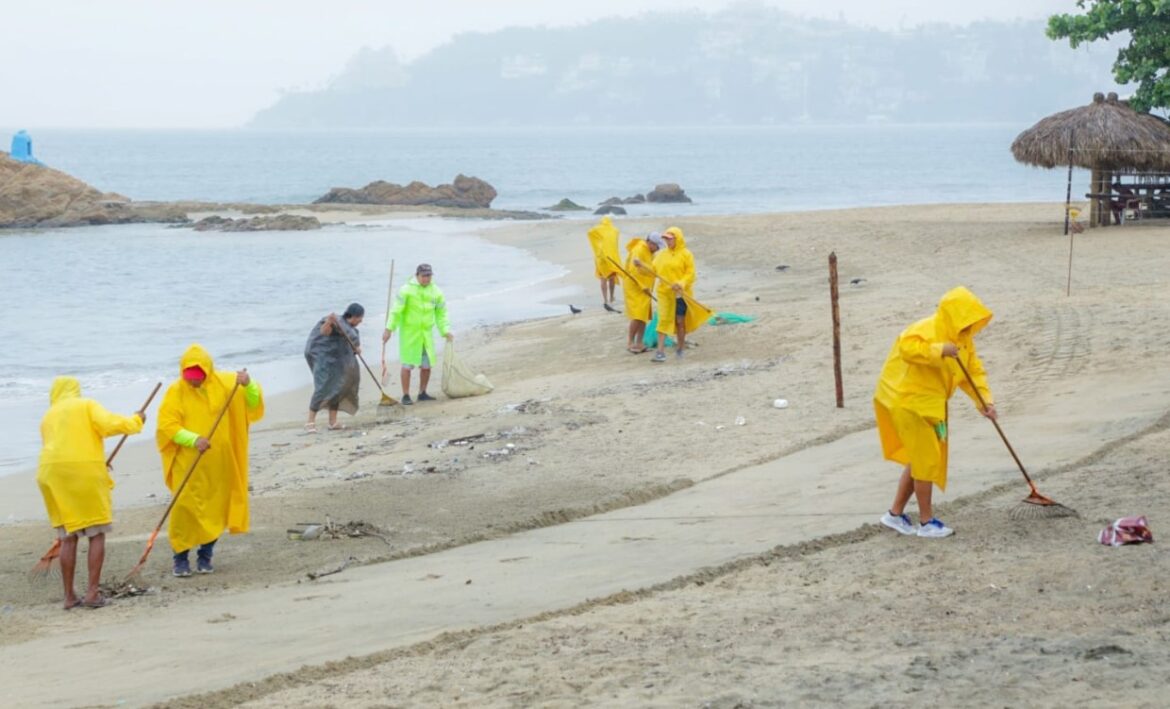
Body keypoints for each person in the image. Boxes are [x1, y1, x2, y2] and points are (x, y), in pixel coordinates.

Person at [874, 286, 996, 539]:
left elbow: (972, 373)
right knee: (925, 461)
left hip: (931, 405)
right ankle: (926, 522)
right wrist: (939, 349)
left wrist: (985, 402)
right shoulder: (926, 329)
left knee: (921, 459)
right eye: (964, 322)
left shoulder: (964, 342)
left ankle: (895, 515)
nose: (967, 328)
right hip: (908, 403)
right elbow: (907, 350)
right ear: (952, 316)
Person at [36, 377, 145, 609]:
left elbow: (63, 449)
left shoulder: (48, 416)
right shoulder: (85, 405)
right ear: (75, 390)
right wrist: (136, 420)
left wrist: (95, 463)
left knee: (68, 536)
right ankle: (92, 593)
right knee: (96, 532)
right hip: (82, 472)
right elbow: (108, 425)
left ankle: (69, 596)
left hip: (50, 474)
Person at [156, 344, 264, 576]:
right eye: (190, 378)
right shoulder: (176, 392)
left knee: (216, 508)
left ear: (208, 371)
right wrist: (193, 440)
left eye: (198, 378)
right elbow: (168, 425)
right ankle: (180, 559)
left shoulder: (226, 383)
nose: (194, 382)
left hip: (219, 463)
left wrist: (249, 383)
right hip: (188, 464)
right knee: (184, 509)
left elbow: (252, 402)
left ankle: (205, 556)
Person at [382, 263, 453, 405]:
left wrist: (445, 330)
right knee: (407, 365)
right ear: (417, 275)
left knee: (426, 366)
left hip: (426, 334)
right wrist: (389, 329)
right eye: (424, 276)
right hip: (410, 334)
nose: (427, 279)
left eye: (429, 276)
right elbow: (396, 311)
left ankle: (422, 392)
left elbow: (441, 313)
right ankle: (406, 395)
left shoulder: (436, 291)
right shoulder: (406, 290)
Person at [649, 226, 708, 362]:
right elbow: (652, 270)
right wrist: (641, 268)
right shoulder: (661, 255)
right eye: (666, 239)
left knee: (680, 321)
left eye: (670, 239)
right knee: (663, 320)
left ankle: (680, 348)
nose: (668, 241)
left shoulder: (686, 254)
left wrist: (681, 283)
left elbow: (690, 274)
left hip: (681, 294)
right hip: (665, 293)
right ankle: (660, 352)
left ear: (677, 238)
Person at [304, 302, 363, 432]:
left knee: (339, 385)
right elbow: (325, 332)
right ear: (354, 316)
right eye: (360, 318)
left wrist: (356, 349)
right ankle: (310, 422)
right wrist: (329, 322)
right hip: (321, 355)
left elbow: (354, 345)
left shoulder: (352, 329)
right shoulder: (336, 321)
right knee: (323, 386)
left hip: (337, 358)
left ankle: (332, 422)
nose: (361, 321)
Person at [623, 231, 662, 353]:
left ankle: (639, 343)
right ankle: (630, 342)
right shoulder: (639, 249)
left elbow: (650, 268)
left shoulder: (649, 252)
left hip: (645, 288)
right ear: (651, 243)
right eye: (657, 246)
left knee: (644, 315)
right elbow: (633, 271)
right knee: (638, 315)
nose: (657, 249)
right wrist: (642, 286)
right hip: (635, 287)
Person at [587, 216, 622, 311]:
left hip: (601, 258)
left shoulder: (598, 229)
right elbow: (614, 243)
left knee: (603, 279)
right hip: (611, 258)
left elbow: (589, 232)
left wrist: (598, 244)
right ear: (610, 222)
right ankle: (611, 297)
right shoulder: (615, 230)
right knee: (612, 278)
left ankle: (605, 300)